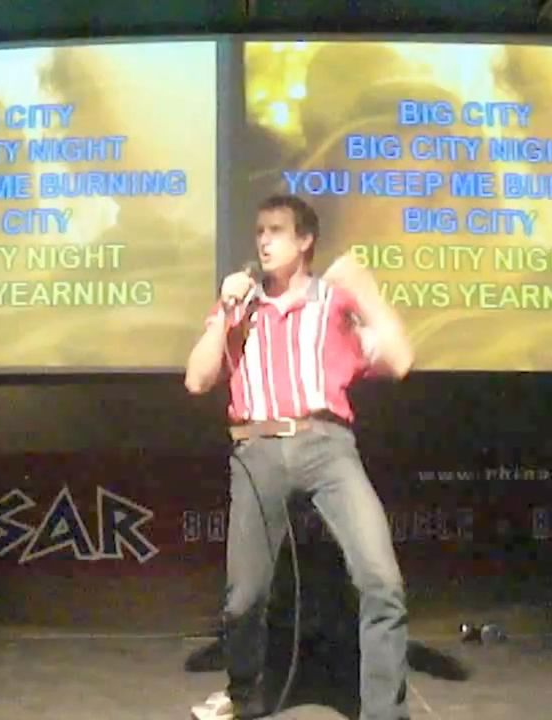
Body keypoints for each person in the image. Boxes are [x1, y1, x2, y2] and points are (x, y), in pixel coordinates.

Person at [184, 194, 414, 720]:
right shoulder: (243, 308)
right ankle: (245, 693)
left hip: (326, 446)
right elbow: (197, 380)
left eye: (277, 231)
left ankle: (385, 713)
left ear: (305, 240)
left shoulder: (333, 302)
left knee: (381, 581)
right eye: (259, 232)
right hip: (257, 450)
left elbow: (400, 360)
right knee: (243, 599)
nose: (264, 241)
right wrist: (224, 313)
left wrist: (367, 292)